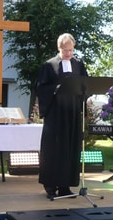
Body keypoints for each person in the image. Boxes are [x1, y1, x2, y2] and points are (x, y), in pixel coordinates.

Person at [36, 33, 89, 199]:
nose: (68, 53)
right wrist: (57, 88)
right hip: (56, 115)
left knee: (70, 149)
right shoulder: (49, 65)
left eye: (71, 50)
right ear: (59, 48)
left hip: (72, 113)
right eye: (65, 50)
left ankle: (65, 186)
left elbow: (85, 85)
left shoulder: (79, 64)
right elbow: (41, 88)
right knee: (54, 149)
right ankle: (50, 185)